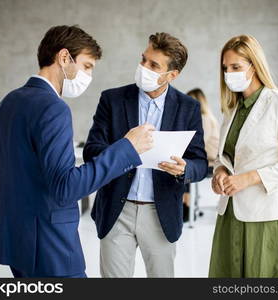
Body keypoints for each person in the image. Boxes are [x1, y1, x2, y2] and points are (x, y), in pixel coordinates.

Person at [0, 25, 154, 278]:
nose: (89, 76)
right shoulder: (53, 108)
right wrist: (127, 148)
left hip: (16, 242)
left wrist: (18, 216)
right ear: (64, 58)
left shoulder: (9, 102)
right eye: (87, 66)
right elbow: (66, 187)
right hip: (52, 250)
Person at [83, 32, 208, 278]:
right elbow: (91, 151)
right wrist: (125, 148)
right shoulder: (112, 100)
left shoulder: (188, 107)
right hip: (117, 210)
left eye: (153, 65)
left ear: (172, 75)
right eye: (143, 60)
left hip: (161, 214)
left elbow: (200, 163)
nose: (143, 68)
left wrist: (184, 169)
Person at [209, 35, 278, 277]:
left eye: (236, 67)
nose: (229, 73)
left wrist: (250, 178)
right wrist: (220, 172)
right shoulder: (231, 109)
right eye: (225, 68)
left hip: (267, 216)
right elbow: (226, 158)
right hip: (231, 214)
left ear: (254, 66)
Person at [183, 88, 220, 222]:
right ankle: (188, 204)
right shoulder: (208, 118)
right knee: (184, 164)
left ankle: (187, 206)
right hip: (209, 160)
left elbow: (199, 144)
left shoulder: (204, 119)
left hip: (211, 163)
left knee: (184, 168)